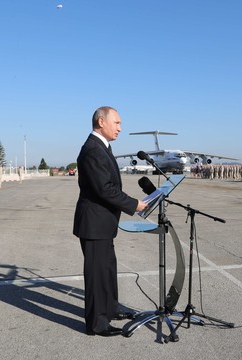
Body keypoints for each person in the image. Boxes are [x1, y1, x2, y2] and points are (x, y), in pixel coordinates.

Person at [73, 106, 147, 337]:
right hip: (94, 224)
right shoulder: (93, 149)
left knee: (107, 269)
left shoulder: (102, 147)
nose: (120, 128)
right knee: (96, 275)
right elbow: (105, 189)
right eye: (117, 123)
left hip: (103, 223)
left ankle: (110, 309)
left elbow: (109, 186)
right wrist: (133, 204)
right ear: (101, 121)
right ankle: (97, 323)